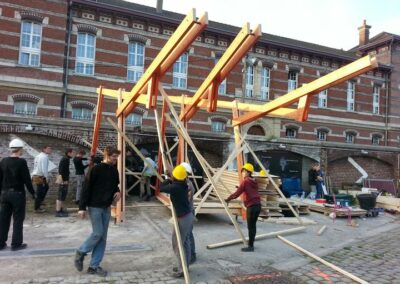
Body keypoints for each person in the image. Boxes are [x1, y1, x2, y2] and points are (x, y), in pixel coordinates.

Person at [74, 146, 121, 277]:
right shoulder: (95, 169)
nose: (115, 159)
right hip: (94, 206)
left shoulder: (114, 171)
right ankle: (81, 252)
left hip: (106, 207)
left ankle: (94, 266)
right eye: (113, 157)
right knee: (97, 233)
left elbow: (115, 186)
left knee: (103, 238)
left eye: (117, 157)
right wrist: (82, 208)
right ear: (107, 155)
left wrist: (117, 192)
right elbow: (86, 188)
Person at [0, 138, 35, 251]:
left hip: (4, 194)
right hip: (17, 194)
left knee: (3, 219)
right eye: (22, 149)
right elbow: (27, 180)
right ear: (19, 149)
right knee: (18, 219)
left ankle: (1, 243)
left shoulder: (3, 161)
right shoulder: (21, 162)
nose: (23, 151)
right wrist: (33, 193)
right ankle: (16, 244)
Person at [160, 165, 193, 278]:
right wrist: (171, 177)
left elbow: (161, 187)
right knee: (185, 243)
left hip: (182, 218)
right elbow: (177, 181)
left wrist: (168, 179)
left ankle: (182, 269)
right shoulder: (185, 184)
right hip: (187, 216)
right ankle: (185, 266)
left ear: (175, 177)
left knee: (177, 244)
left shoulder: (175, 187)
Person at [225, 163, 261, 252]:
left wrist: (228, 199)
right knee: (253, 226)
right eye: (243, 171)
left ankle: (250, 246)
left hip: (252, 207)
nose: (243, 173)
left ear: (249, 172)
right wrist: (240, 187)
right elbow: (250, 190)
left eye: (244, 171)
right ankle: (251, 243)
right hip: (258, 205)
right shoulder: (253, 181)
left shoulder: (245, 181)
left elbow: (237, 194)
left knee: (250, 227)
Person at [180, 162, 196, 264]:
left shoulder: (187, 184)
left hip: (188, 212)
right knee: (187, 234)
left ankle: (192, 255)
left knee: (188, 234)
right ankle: (190, 255)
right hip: (187, 211)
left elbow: (186, 199)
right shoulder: (185, 182)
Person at [31, 145, 51, 213]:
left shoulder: (38, 156)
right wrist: (46, 177)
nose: (50, 150)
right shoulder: (44, 157)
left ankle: (40, 201)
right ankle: (37, 208)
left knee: (46, 187)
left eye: (50, 149)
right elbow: (44, 169)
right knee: (39, 192)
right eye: (48, 149)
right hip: (40, 176)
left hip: (36, 175)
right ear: (44, 149)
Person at [56, 148, 74, 217]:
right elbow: (62, 170)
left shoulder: (66, 159)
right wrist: (63, 180)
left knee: (63, 195)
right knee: (60, 195)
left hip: (64, 179)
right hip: (63, 180)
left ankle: (60, 209)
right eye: (72, 152)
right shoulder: (65, 159)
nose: (73, 154)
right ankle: (58, 211)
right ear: (69, 153)